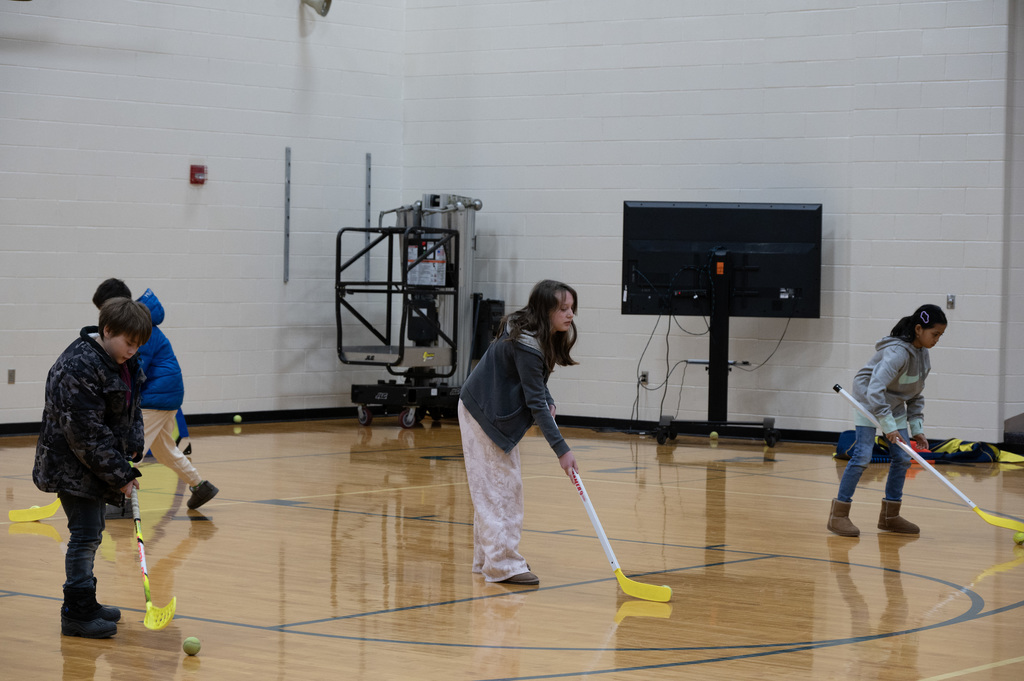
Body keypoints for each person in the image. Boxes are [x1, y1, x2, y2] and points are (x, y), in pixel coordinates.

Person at [33, 298, 151, 638]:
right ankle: (76, 612)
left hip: (97, 465)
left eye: (138, 345)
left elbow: (133, 405)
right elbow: (85, 436)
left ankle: (88, 600)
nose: (132, 351)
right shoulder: (77, 368)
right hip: (71, 468)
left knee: (93, 531)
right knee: (84, 535)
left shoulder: (122, 360)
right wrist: (122, 474)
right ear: (107, 330)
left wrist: (132, 444)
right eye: (129, 343)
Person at [458, 279, 580, 586]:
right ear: (544, 310)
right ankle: (502, 565)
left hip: (489, 410)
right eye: (563, 308)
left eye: (572, 309)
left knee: (496, 487)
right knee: (500, 489)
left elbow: (536, 386)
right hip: (484, 412)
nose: (570, 315)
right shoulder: (527, 343)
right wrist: (562, 450)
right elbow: (535, 402)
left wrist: (549, 401)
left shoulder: (538, 337)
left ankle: (488, 559)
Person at [92, 279, 219, 512]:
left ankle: (123, 501)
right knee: (164, 450)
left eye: (104, 310)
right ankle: (200, 486)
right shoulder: (138, 323)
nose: (104, 317)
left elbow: (133, 370)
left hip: (155, 397)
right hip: (165, 394)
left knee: (131, 447)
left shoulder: (135, 329)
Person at [828, 303, 948, 537]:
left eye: (940, 335)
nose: (937, 340)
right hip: (869, 402)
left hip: (892, 405)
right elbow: (874, 390)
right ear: (918, 329)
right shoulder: (897, 353)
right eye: (935, 334)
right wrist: (887, 426)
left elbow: (914, 394)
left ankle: (890, 517)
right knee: (862, 455)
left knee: (902, 458)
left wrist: (917, 429)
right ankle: (839, 515)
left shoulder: (924, 357)